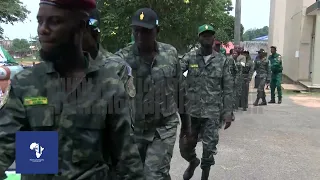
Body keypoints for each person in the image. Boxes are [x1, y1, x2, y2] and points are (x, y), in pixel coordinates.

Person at [0, 0, 144, 179]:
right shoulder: (26, 83)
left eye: (54, 21)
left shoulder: (108, 85)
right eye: (40, 21)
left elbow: (127, 161)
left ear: (80, 26)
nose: (43, 30)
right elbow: (4, 146)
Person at [115, 8, 188, 180]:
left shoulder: (170, 54)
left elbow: (180, 90)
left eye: (146, 31)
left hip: (164, 127)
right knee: (137, 174)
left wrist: (187, 126)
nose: (140, 36)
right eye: (136, 31)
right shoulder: (121, 59)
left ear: (157, 31)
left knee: (153, 175)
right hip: (135, 130)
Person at [83, 9, 139, 179]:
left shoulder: (116, 67)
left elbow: (125, 127)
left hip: (102, 163)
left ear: (96, 33)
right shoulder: (43, 74)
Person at [179, 24, 233, 180]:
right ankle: (192, 162)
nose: (207, 38)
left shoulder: (222, 61)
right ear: (199, 38)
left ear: (214, 38)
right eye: (204, 35)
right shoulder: (190, 57)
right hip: (192, 112)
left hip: (212, 113)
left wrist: (228, 112)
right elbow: (175, 74)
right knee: (185, 147)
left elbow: (228, 88)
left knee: (209, 149)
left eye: (210, 35)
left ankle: (204, 176)